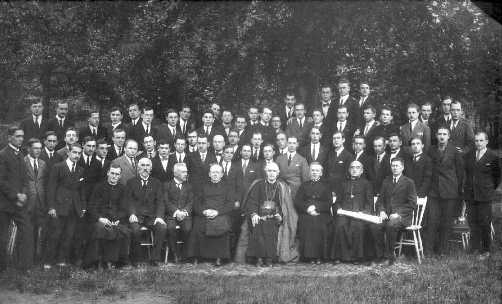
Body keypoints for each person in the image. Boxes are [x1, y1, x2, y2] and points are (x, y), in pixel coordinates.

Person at [426, 127, 464, 255]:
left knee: (446, 222)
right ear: (436, 135)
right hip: (434, 191)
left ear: (449, 136)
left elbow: (460, 172)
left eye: (444, 134)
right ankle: (429, 250)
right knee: (432, 220)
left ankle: (442, 250)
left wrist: (458, 190)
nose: (442, 136)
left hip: (449, 190)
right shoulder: (431, 150)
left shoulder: (455, 151)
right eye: (440, 134)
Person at [186, 164, 234, 266]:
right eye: (213, 172)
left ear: (222, 174)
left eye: (217, 172)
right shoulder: (202, 186)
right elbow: (196, 203)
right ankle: (197, 256)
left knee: (221, 226)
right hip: (205, 213)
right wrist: (204, 211)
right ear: (209, 174)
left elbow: (230, 204)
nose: (215, 174)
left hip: (220, 214)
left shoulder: (227, 187)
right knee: (197, 227)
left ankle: (219, 257)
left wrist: (217, 212)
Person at [46, 143, 85, 267]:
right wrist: (51, 206)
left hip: (73, 208)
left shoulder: (80, 169)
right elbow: (51, 188)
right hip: (59, 206)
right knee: (55, 234)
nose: (77, 156)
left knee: (68, 235)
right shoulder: (58, 167)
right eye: (74, 152)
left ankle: (61, 260)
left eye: (79, 153)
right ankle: (48, 261)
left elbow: (81, 191)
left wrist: (82, 207)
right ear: (68, 152)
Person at [84, 165, 130, 269]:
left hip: (117, 220)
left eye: (117, 174)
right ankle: (95, 261)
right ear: (108, 173)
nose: (114, 176)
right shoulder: (98, 187)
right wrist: (101, 219)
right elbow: (91, 207)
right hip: (101, 219)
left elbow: (124, 209)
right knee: (100, 229)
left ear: (120, 176)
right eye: (112, 173)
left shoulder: (123, 188)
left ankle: (113, 261)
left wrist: (117, 219)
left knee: (121, 230)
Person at [464, 132, 500, 259]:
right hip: (471, 194)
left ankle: (486, 250)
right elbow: (467, 173)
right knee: (473, 221)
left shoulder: (493, 156)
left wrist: (489, 188)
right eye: (476, 141)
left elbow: (497, 177)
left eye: (481, 141)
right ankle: (474, 247)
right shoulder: (469, 155)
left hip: (485, 194)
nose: (478, 143)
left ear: (486, 142)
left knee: (484, 222)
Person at [0, 127, 32, 272]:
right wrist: (16, 195)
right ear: (9, 137)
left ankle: (24, 267)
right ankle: (2, 268)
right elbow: (2, 181)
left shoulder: (21, 154)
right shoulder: (3, 155)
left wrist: (24, 194)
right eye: (18, 136)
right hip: (5, 204)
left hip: (20, 204)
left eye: (22, 136)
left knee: (27, 231)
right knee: (2, 237)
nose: (21, 139)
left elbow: (25, 179)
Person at [125, 157, 167, 266]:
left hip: (152, 217)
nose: (145, 168)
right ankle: (137, 259)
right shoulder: (131, 182)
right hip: (137, 216)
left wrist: (159, 216)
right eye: (142, 165)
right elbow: (128, 201)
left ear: (151, 168)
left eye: (147, 165)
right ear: (138, 167)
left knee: (162, 228)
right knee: (135, 231)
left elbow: (160, 202)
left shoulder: (156, 183)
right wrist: (132, 214)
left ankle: (155, 258)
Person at [376, 157, 417, 265]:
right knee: (375, 225)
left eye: (397, 166)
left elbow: (412, 203)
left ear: (402, 167)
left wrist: (398, 213)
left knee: (391, 225)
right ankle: (380, 255)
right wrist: (382, 211)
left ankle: (389, 257)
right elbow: (380, 201)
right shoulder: (386, 181)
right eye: (392, 166)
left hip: (403, 217)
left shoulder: (409, 182)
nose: (394, 168)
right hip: (387, 215)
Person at [332, 161, 374, 264]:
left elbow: (369, 203)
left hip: (359, 214)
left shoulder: (367, 184)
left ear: (362, 170)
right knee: (340, 225)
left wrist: (364, 213)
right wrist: (339, 209)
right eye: (352, 167)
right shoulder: (343, 184)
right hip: (345, 213)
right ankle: (340, 256)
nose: (354, 169)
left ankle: (356, 257)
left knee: (357, 226)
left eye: (357, 167)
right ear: (349, 170)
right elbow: (337, 202)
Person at [246, 162, 284, 266]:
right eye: (269, 171)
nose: (272, 173)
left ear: (278, 173)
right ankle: (259, 257)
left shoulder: (282, 187)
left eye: (274, 171)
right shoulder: (258, 185)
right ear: (266, 172)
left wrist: (279, 215)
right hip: (260, 215)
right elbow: (252, 201)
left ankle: (269, 258)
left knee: (270, 228)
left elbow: (284, 205)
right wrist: (254, 214)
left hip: (274, 217)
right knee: (259, 226)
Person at [294, 162, 332, 263]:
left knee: (319, 224)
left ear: (321, 173)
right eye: (312, 170)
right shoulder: (304, 185)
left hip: (321, 212)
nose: (314, 172)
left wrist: (316, 207)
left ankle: (319, 256)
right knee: (308, 223)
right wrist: (307, 208)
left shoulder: (326, 186)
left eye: (317, 171)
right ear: (309, 172)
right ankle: (309, 256)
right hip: (306, 213)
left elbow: (329, 202)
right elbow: (297, 201)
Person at [24, 138, 48, 263]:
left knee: (40, 230)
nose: (38, 150)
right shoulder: (22, 162)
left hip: (41, 203)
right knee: (27, 231)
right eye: (35, 148)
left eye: (40, 148)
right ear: (29, 149)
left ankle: (37, 258)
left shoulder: (43, 163)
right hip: (27, 203)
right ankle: (25, 259)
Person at [164, 162, 194, 263]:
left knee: (188, 229)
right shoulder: (167, 185)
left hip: (185, 215)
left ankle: (185, 254)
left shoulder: (189, 186)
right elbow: (166, 201)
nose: (186, 174)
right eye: (183, 172)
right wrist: (176, 212)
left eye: (186, 172)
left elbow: (191, 201)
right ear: (175, 173)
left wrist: (185, 212)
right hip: (171, 215)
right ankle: (175, 254)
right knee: (170, 229)